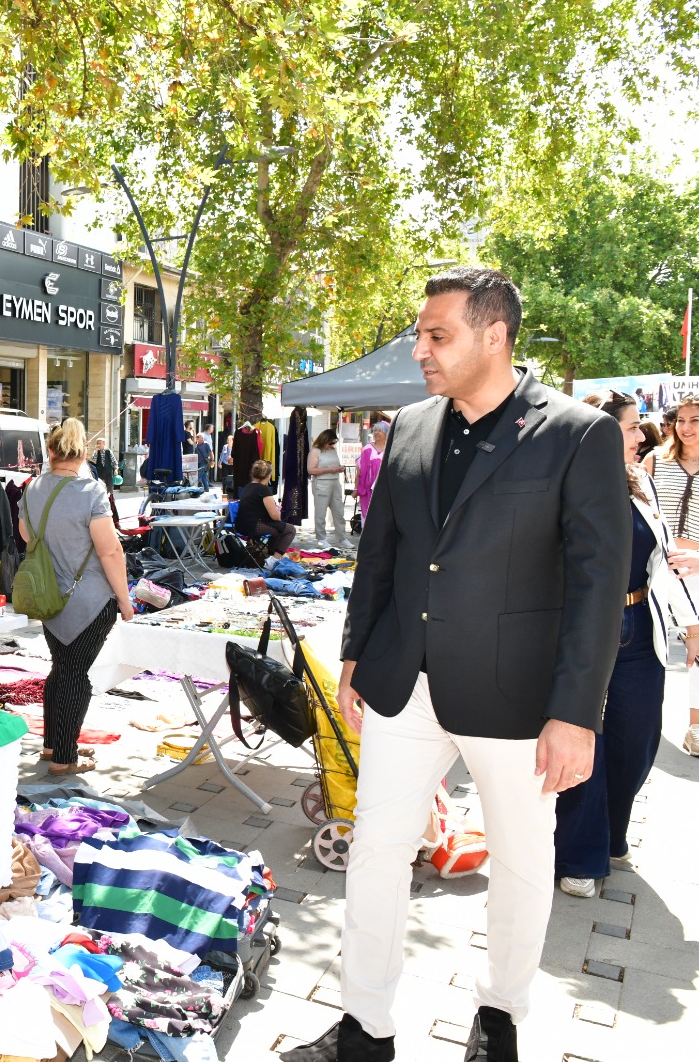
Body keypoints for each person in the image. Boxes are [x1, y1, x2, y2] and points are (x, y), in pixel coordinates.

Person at [285, 267, 628, 1062]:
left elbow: (597, 585)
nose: (421, 350)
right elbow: (381, 556)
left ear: (495, 335)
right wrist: (356, 657)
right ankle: (364, 1029)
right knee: (375, 849)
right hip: (405, 683)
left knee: (519, 860)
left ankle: (500, 1017)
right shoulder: (409, 426)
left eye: (437, 335)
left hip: (518, 699)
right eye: (421, 333)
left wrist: (575, 713)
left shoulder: (578, 434)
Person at [553, 391, 699, 898]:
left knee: (636, 741)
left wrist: (691, 622)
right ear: (599, 430)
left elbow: (661, 562)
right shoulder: (564, 482)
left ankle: (612, 834)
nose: (644, 436)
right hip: (584, 631)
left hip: (640, 625)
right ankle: (579, 854)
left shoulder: (641, 482)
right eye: (633, 427)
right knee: (580, 742)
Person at [19, 418, 133, 775]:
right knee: (75, 675)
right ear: (83, 453)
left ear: (50, 452)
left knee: (62, 669)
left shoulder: (32, 489)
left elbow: (26, 536)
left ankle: (53, 747)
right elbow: (110, 551)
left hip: (49, 597)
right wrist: (127, 603)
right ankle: (65, 759)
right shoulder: (91, 491)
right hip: (89, 600)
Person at [641, 395, 699, 754]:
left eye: (695, 420)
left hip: (695, 567)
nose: (686, 428)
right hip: (654, 566)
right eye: (681, 420)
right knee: (645, 642)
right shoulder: (656, 460)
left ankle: (695, 726)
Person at [233, 460, 296, 555]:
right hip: (254, 526)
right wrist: (278, 512)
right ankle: (275, 558)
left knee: (280, 526)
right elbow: (275, 516)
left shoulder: (248, 487)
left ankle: (271, 553)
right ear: (268, 475)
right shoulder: (263, 489)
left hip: (240, 525)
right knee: (290, 529)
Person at [306, 428, 348, 547]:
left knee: (339, 511)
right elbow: (311, 470)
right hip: (321, 483)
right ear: (324, 440)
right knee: (321, 512)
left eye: (333, 443)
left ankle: (342, 537)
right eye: (330, 443)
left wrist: (339, 468)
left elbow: (334, 464)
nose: (332, 445)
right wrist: (331, 470)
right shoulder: (315, 451)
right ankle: (321, 537)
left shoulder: (333, 451)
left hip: (335, 482)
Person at [355, 421, 389, 524]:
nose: (376, 433)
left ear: (386, 433)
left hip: (385, 488)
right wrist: (356, 488)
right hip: (367, 489)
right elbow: (359, 471)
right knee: (367, 515)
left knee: (383, 514)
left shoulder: (390, 449)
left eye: (380, 431)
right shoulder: (367, 449)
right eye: (375, 431)